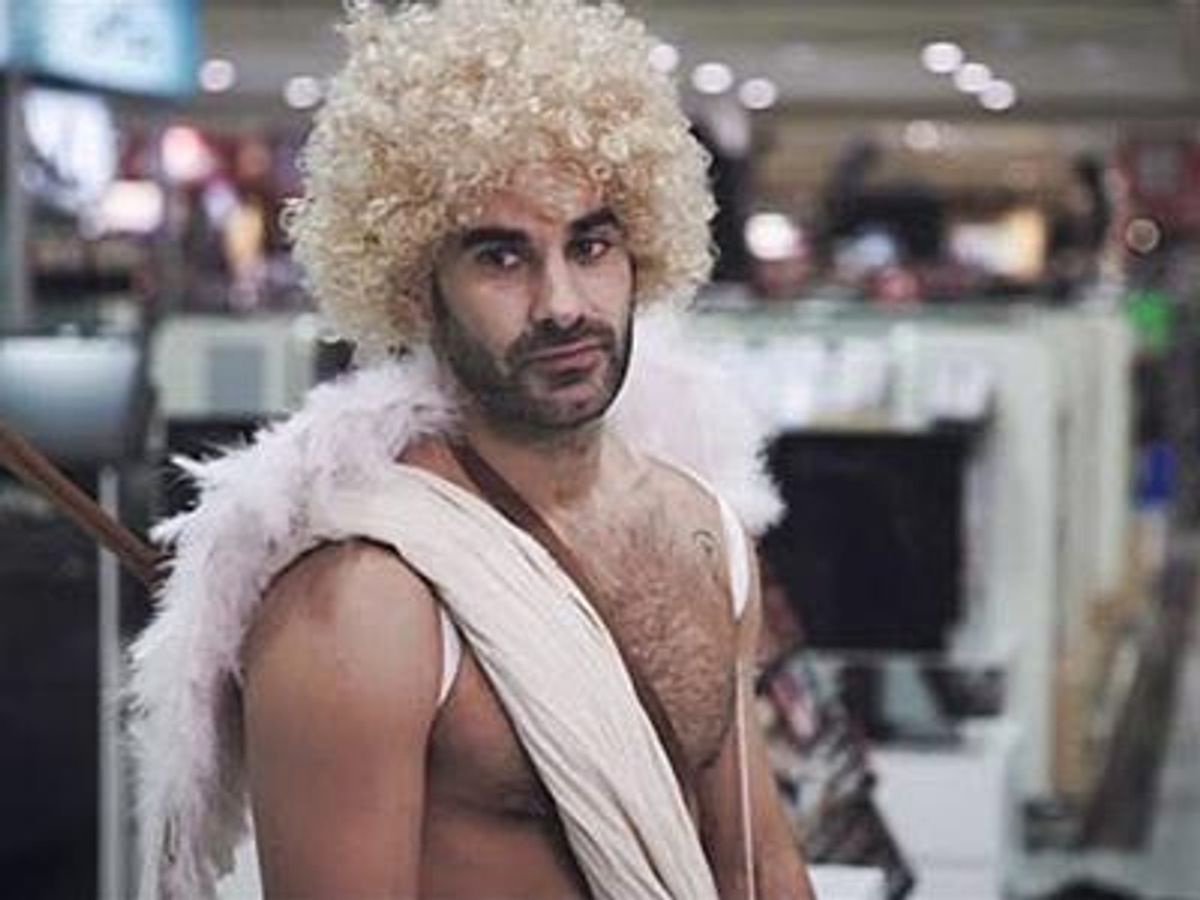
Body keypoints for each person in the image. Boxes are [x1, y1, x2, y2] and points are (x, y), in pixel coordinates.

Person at [129, 2, 815, 898]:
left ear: (641, 251)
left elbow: (760, 865)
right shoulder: (362, 603)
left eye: (591, 244)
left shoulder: (704, 535)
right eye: (501, 258)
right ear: (419, 288)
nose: (562, 303)